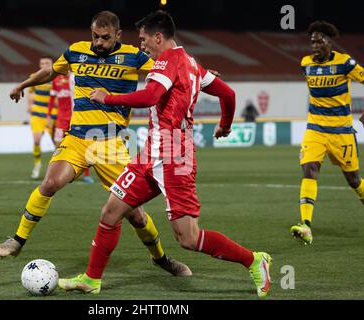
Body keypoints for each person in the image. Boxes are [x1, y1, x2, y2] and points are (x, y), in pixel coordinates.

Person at [60, 10, 272, 298]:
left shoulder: (166, 61)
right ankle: (91, 279)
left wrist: (106, 97)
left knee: (188, 238)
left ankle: (254, 260)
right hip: (151, 152)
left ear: (158, 37)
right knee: (111, 212)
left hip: (174, 155)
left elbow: (150, 97)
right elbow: (228, 95)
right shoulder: (192, 63)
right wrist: (224, 125)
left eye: (145, 39)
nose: (142, 45)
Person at [0, 10, 191, 277]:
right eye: (95, 36)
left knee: (134, 214)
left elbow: (168, 65)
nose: (98, 42)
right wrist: (23, 85)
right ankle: (17, 240)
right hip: (76, 139)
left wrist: (197, 73)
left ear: (118, 35)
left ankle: (161, 259)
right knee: (50, 183)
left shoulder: (134, 56)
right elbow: (51, 72)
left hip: (111, 143)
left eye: (105, 38)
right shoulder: (76, 51)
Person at [290, 21, 364, 244]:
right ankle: (306, 225)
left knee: (353, 180)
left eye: (319, 41)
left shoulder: (346, 63)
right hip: (316, 129)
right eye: (312, 42)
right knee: (309, 169)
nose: (314, 46)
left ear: (330, 42)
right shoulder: (306, 64)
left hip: (341, 131)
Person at [46, 73, 93, 183]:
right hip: (61, 119)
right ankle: (56, 171)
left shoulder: (75, 77)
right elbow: (52, 99)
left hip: (75, 118)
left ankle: (86, 175)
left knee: (82, 144)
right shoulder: (56, 80)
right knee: (57, 144)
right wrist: (48, 115)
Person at [27, 56, 57, 179]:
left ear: (52, 64)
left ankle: (57, 168)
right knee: (36, 140)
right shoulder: (34, 76)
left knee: (57, 143)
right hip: (37, 113)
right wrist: (29, 105)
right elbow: (30, 92)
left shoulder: (57, 77)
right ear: (39, 65)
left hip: (53, 114)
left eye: (47, 63)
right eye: (42, 63)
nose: (44, 65)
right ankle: (37, 164)